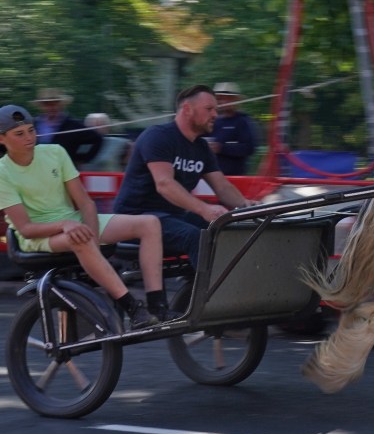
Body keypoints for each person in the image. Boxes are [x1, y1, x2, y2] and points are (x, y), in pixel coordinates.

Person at [0, 104, 165, 329]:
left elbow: (86, 202)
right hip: (37, 236)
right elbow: (26, 228)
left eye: (31, 130)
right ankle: (133, 308)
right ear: (2, 139)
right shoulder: (2, 172)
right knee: (81, 237)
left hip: (73, 222)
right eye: (19, 134)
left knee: (150, 223)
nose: (29, 137)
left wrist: (92, 234)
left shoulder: (55, 152)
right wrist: (67, 225)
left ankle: (158, 306)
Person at [112, 84, 257, 274]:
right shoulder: (158, 136)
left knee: (226, 228)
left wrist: (247, 207)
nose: (215, 114)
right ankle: (213, 297)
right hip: (136, 217)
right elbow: (165, 184)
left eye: (216, 109)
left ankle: (230, 284)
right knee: (195, 237)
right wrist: (204, 209)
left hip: (172, 215)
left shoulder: (201, 148)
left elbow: (222, 187)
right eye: (209, 109)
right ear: (187, 109)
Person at [32, 88, 103, 166]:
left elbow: (97, 139)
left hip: (65, 170)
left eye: (54, 104)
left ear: (61, 105)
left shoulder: (74, 125)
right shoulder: (33, 124)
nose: (50, 107)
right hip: (37, 169)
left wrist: (81, 159)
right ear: (41, 106)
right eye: (46, 104)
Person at [209, 82, 259, 175]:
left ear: (236, 100)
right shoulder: (214, 121)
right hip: (213, 178)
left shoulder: (243, 121)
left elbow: (250, 148)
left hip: (235, 177)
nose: (223, 101)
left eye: (227, 98)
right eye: (220, 98)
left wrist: (221, 148)